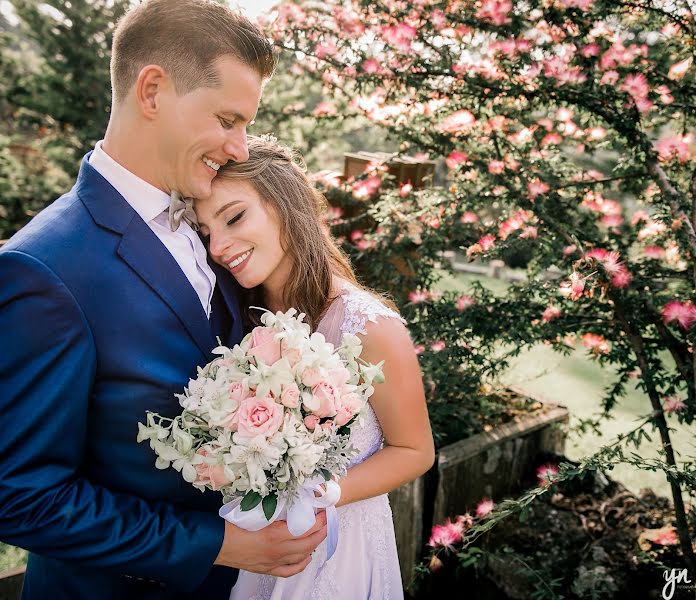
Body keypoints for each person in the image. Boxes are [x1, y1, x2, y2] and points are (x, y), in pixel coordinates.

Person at [0, 2, 327, 599]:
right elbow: (21, 495)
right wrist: (220, 545)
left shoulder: (219, 226)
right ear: (152, 90)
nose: (239, 146)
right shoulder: (43, 269)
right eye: (228, 119)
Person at [194, 135, 436, 600]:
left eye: (235, 217)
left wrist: (323, 492)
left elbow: (415, 451)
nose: (219, 247)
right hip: (257, 549)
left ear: (287, 205)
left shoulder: (371, 327)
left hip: (339, 551)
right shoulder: (238, 318)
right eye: (207, 234)